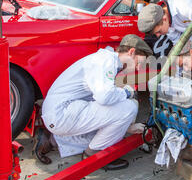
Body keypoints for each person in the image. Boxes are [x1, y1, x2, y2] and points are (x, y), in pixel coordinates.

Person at [35, 35, 153, 169]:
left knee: (110, 131)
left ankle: (52, 140)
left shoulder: (104, 59)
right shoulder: (106, 61)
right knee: (129, 107)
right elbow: (104, 97)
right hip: (61, 113)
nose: (138, 68)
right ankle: (95, 154)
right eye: (139, 63)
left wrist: (127, 127)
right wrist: (127, 92)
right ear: (131, 52)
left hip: (61, 112)